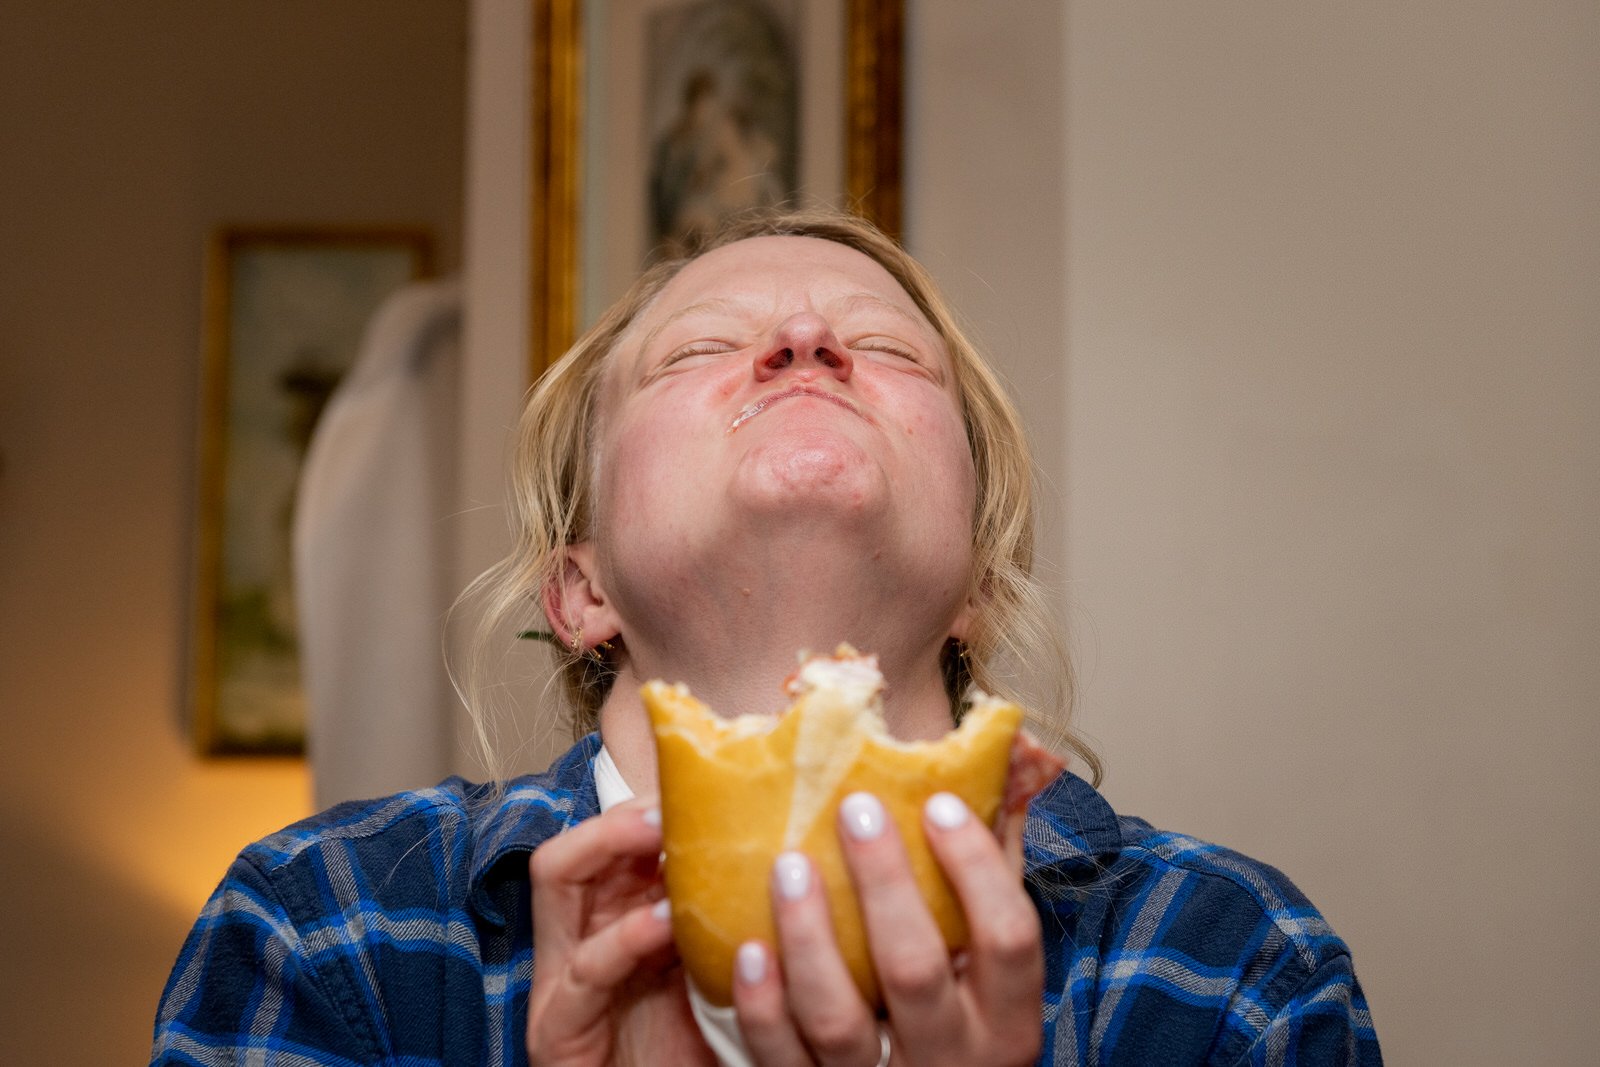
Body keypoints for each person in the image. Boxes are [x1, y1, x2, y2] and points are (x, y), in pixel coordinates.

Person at [152, 210, 1382, 1066]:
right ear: (578, 589)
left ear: (978, 589)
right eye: (698, 349)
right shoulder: (331, 932)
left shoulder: (1224, 965)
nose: (806, 347)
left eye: (891, 351)